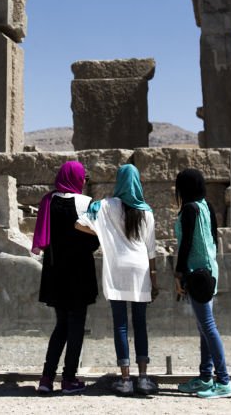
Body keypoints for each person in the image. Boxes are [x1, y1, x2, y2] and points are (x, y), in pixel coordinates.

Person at [77, 164, 159, 396]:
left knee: (120, 325)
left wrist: (104, 233)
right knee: (141, 323)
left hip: (117, 269)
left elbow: (80, 223)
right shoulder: (147, 211)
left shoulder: (105, 206)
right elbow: (151, 249)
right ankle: (143, 378)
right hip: (141, 268)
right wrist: (154, 280)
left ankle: (125, 379)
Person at [32, 160, 98, 395]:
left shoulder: (48, 201)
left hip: (55, 273)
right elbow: (94, 241)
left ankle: (47, 377)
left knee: (61, 325)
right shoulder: (85, 203)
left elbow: (44, 236)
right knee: (76, 326)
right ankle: (69, 378)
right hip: (79, 274)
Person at [173, 167, 231, 399]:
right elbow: (214, 238)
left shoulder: (189, 209)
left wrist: (179, 274)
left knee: (208, 327)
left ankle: (224, 381)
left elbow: (186, 243)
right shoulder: (206, 206)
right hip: (209, 271)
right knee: (204, 328)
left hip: (196, 274)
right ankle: (206, 377)